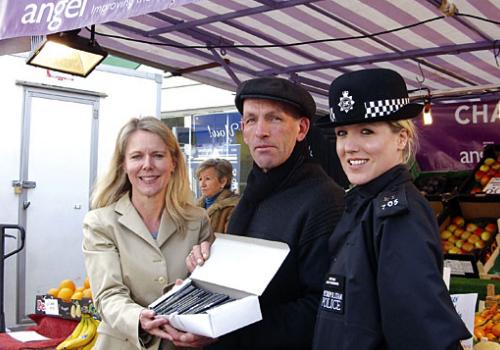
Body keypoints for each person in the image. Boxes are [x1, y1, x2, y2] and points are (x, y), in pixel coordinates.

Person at [170, 77, 345, 349]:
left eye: (274, 119)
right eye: (251, 120)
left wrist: (225, 331)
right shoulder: (252, 192)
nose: (261, 131)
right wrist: (207, 268)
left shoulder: (324, 200)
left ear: (301, 128)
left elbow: (321, 306)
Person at [312, 68, 470, 350]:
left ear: (401, 139)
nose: (349, 146)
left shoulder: (399, 217)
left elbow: (420, 333)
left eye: (366, 131)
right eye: (342, 133)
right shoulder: (364, 204)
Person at [82, 117, 213, 350]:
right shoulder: (100, 223)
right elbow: (108, 295)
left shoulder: (197, 220)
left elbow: (209, 287)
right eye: (136, 156)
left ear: (173, 162)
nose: (147, 165)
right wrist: (139, 317)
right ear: (124, 165)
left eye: (158, 155)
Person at [195, 158, 240, 233]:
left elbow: (230, 241)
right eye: (200, 179)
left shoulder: (232, 208)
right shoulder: (196, 207)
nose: (202, 184)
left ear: (223, 182)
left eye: (207, 179)